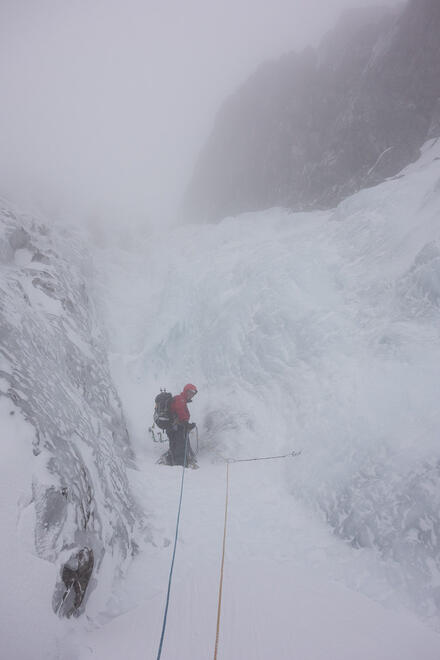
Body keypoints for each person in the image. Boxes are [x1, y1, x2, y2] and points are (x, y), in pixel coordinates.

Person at [166, 383, 198, 467]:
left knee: (177, 445)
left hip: (175, 428)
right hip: (175, 428)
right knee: (180, 446)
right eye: (190, 393)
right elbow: (180, 412)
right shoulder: (180, 399)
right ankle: (180, 466)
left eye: (193, 394)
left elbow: (181, 415)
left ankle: (170, 460)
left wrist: (187, 424)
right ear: (186, 391)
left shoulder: (181, 400)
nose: (192, 395)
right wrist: (186, 423)